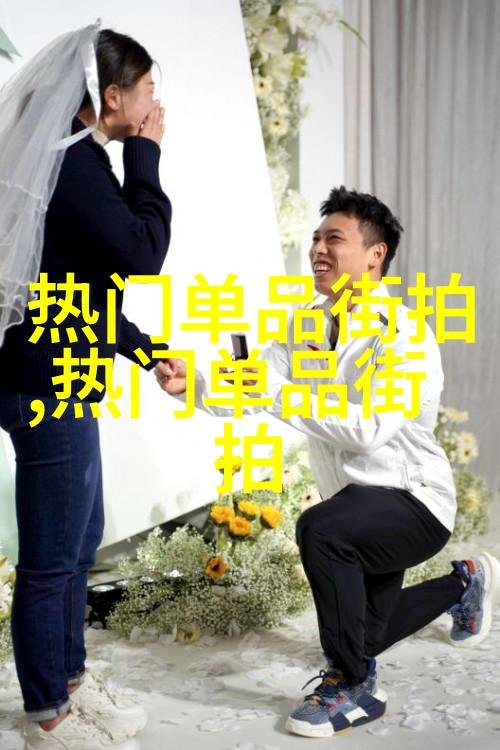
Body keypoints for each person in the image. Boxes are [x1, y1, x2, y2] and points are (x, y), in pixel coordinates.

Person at [155, 186, 500, 738]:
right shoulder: (306, 325)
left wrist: (275, 393)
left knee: (321, 531)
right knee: (364, 634)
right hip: (355, 507)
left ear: (375, 254)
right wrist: (191, 384)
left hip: (413, 504)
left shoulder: (405, 335)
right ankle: (465, 584)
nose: (318, 248)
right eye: (316, 237)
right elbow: (253, 384)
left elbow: (367, 430)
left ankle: (354, 687)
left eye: (333, 238)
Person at [0, 25, 171, 750]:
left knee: (79, 539)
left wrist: (148, 353)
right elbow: (143, 252)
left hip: (59, 377)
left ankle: (67, 681)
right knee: (52, 555)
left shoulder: (73, 160)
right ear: (113, 95)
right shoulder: (72, 164)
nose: (155, 102)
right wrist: (147, 154)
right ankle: (48, 716)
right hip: (47, 386)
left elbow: (79, 292)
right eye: (148, 88)